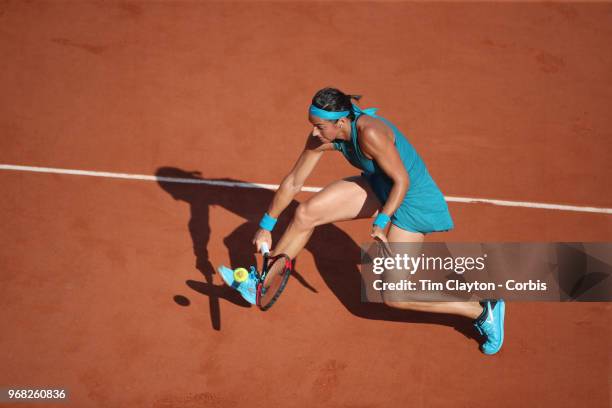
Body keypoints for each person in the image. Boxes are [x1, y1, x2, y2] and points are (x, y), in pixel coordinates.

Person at [219, 87, 505, 355]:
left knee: (396, 296)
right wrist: (266, 225)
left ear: (342, 121)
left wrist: (383, 221)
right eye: (312, 124)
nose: (314, 131)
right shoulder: (323, 137)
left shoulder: (371, 133)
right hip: (378, 186)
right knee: (306, 213)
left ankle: (481, 310)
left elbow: (402, 180)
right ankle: (261, 282)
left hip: (411, 200)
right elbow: (294, 181)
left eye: (319, 126)